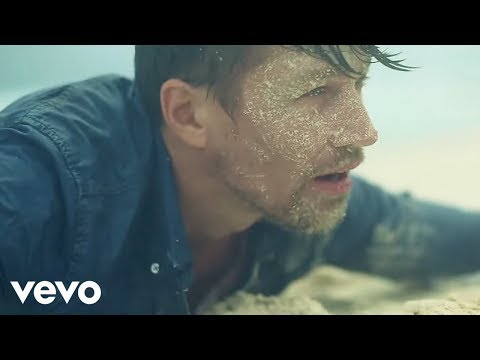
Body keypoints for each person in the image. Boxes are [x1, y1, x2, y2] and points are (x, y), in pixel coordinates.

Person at [0, 45, 479, 315]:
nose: (365, 132)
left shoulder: (295, 191)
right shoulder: (44, 182)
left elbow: (454, 238)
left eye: (357, 86)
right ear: (188, 114)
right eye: (315, 91)